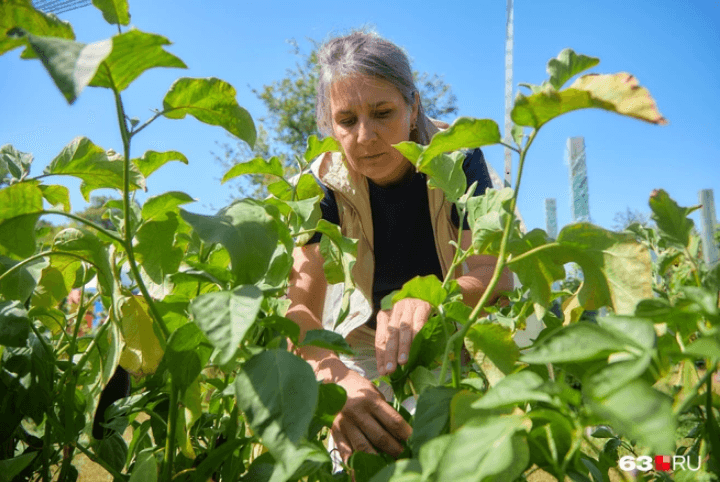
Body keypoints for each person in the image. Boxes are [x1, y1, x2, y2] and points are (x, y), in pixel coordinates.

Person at [285, 30, 513, 464]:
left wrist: (429, 298)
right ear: (330, 126)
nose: (366, 135)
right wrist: (332, 378)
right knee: (357, 447)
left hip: (456, 328)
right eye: (347, 120)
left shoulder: (459, 159)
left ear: (413, 109)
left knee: (460, 452)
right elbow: (302, 313)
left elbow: (492, 276)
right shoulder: (320, 185)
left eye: (383, 112)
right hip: (368, 341)